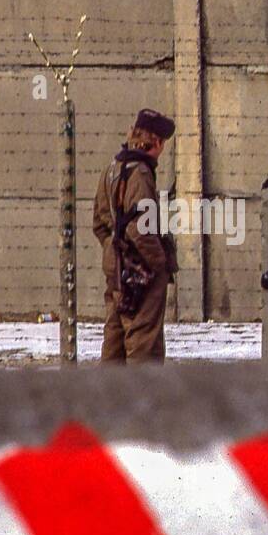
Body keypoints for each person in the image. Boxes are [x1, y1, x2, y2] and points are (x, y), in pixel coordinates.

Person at [93, 108, 177, 362]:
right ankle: (143, 400)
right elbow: (140, 230)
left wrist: (113, 250)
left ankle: (111, 399)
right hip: (140, 273)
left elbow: (99, 222)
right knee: (144, 345)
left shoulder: (114, 166)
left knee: (115, 342)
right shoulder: (140, 173)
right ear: (157, 142)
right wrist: (158, 264)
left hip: (117, 270)